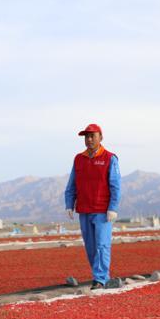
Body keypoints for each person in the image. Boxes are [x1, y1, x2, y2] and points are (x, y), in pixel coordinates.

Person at [64, 124, 121, 289]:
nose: (89, 139)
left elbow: (116, 185)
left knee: (102, 245)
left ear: (100, 137)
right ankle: (101, 276)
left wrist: (113, 207)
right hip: (84, 209)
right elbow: (72, 183)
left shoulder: (110, 158)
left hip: (102, 211)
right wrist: (69, 204)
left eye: (92, 136)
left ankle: (100, 279)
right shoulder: (78, 159)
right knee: (90, 246)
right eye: (86, 137)